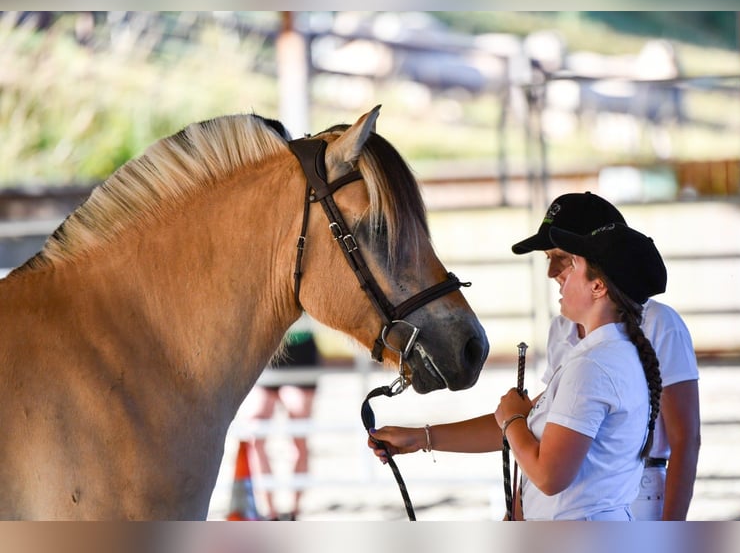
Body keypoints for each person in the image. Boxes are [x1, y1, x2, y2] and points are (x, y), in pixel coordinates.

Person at [369, 221, 666, 520]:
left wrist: (511, 419)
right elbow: (529, 430)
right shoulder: (612, 355)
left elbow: (549, 476)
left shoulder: (592, 366)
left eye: (573, 265)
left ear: (598, 286)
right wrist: (421, 437)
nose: (560, 277)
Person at [511, 192, 700, 520]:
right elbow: (548, 426)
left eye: (565, 258)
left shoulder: (657, 325)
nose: (553, 272)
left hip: (633, 490)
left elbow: (686, 437)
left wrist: (673, 534)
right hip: (576, 497)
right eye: (548, 258)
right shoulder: (565, 329)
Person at [250, 315, 322, 521]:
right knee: (256, 434)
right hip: (268, 347)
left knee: (298, 437)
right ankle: (270, 512)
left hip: (300, 348)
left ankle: (294, 512)